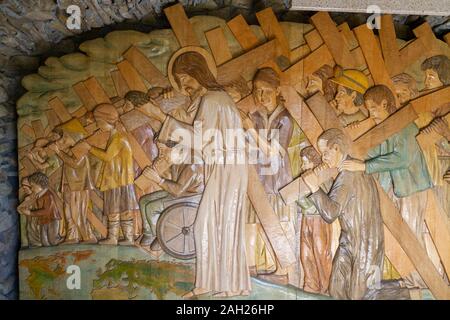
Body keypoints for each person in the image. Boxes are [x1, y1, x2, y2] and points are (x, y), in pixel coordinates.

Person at [340, 85, 440, 287]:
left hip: (412, 188)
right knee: (409, 234)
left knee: (413, 233)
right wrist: (349, 149)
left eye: (373, 108)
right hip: (398, 190)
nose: (371, 114)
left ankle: (428, 279)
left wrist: (364, 166)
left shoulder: (404, 126)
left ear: (385, 104)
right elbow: (373, 152)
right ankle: (418, 278)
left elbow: (401, 158)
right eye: (368, 109)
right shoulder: (385, 129)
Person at [171, 50, 250, 298]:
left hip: (228, 167)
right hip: (225, 166)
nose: (184, 85)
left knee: (218, 224)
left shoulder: (213, 100)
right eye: (180, 81)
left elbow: (199, 139)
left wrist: (167, 125)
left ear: (198, 72)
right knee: (211, 224)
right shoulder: (216, 99)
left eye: (185, 78)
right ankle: (210, 284)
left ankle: (229, 286)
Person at [303, 129, 384, 300]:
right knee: (337, 288)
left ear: (337, 148)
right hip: (350, 240)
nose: (323, 158)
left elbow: (331, 212)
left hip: (366, 243)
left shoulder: (348, 174)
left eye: (326, 153)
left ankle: (407, 292)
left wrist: (314, 189)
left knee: (364, 294)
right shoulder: (350, 169)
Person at [248, 67, 300, 286]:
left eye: (267, 90)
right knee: (258, 222)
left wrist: (250, 131)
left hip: (278, 180)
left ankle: (285, 269)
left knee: (279, 223)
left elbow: (274, 150)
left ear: (277, 90)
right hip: (257, 178)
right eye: (258, 91)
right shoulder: (256, 116)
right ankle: (256, 264)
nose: (262, 96)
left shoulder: (285, 118)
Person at [138, 117, 204, 251]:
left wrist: (158, 180)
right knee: (144, 201)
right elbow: (174, 183)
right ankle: (149, 233)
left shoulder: (192, 165)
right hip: (182, 193)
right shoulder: (178, 161)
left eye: (163, 151)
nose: (161, 154)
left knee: (152, 207)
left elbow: (177, 190)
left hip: (191, 197)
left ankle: (161, 236)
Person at [86, 103, 139, 246]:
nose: (98, 125)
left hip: (116, 180)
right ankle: (125, 238)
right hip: (121, 180)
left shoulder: (118, 138)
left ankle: (116, 237)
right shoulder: (117, 136)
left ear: (106, 120)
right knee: (122, 209)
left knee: (114, 210)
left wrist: (89, 147)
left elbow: (107, 156)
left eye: (99, 122)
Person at [49, 119, 97, 244]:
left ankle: (87, 236)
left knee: (78, 212)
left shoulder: (81, 148)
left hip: (78, 186)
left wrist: (58, 151)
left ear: (73, 136)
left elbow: (74, 163)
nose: (61, 140)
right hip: (69, 185)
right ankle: (71, 236)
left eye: (65, 137)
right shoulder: (71, 149)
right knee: (68, 211)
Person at [297, 146, 332, 295]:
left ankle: (327, 286)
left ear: (314, 162)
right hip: (307, 218)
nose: (303, 166)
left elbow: (326, 200)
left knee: (321, 253)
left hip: (319, 220)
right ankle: (311, 285)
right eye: (302, 163)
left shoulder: (323, 177)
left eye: (306, 163)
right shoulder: (302, 178)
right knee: (305, 254)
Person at [19, 172, 62, 247]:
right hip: (43, 220)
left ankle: (64, 244)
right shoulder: (38, 196)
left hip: (52, 219)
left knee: (53, 240)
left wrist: (30, 213)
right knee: (44, 241)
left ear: (39, 185)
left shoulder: (48, 195)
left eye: (32, 186)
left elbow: (46, 210)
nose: (31, 189)